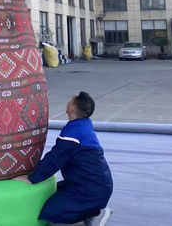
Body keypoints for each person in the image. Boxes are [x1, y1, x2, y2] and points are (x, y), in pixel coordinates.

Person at [15, 92, 113, 226]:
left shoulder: (73, 134)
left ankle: (95, 215)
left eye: (71, 100)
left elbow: (54, 160)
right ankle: (91, 212)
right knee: (57, 190)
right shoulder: (83, 125)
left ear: (72, 108)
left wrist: (31, 178)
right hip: (95, 186)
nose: (68, 101)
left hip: (91, 191)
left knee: (51, 211)